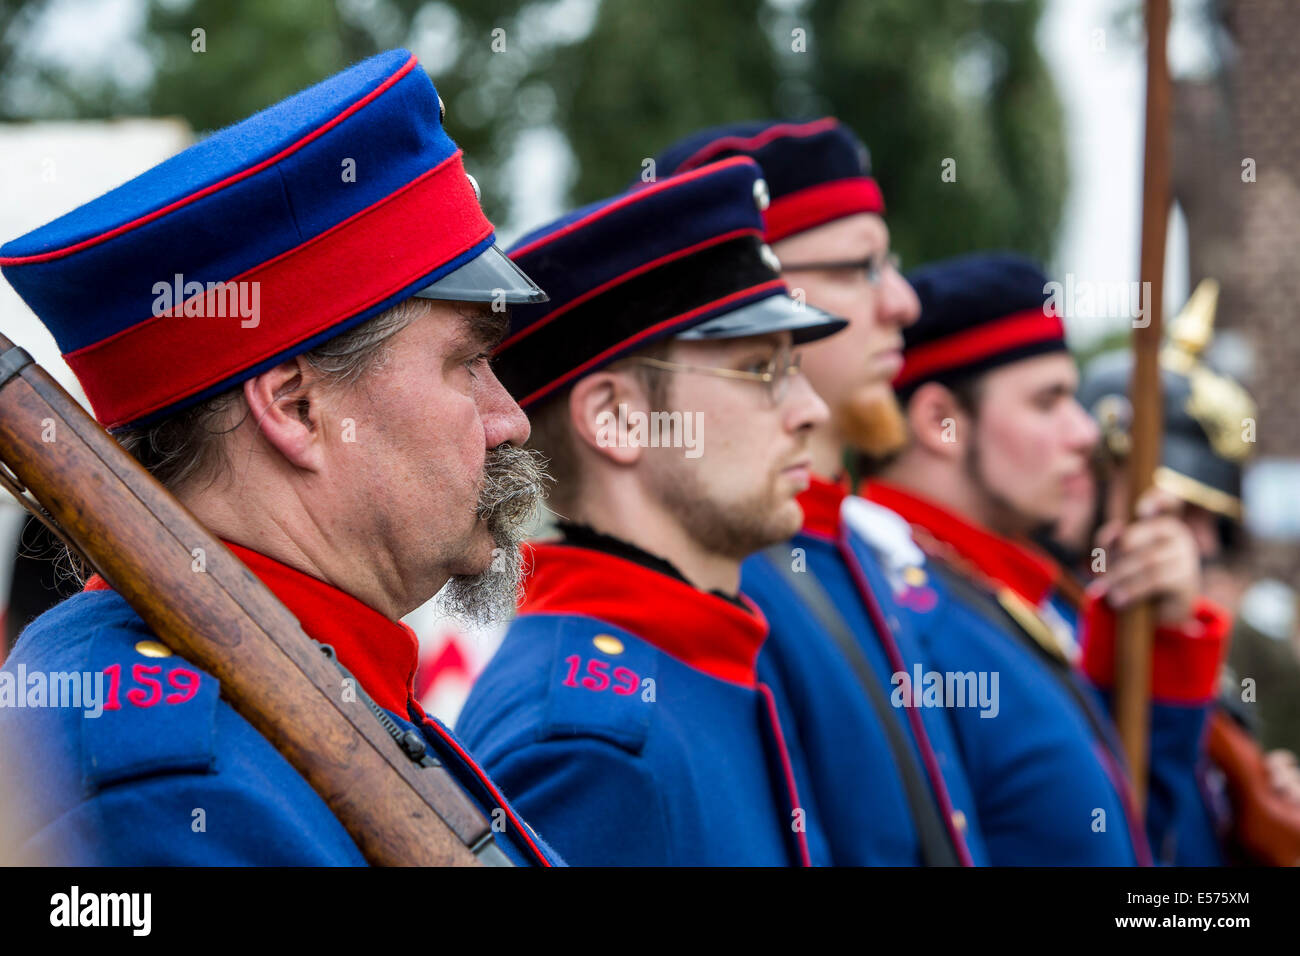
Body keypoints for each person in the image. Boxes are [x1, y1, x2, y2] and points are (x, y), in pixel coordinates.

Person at [0, 49, 560, 866]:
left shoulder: (325, 691)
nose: (509, 420)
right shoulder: (157, 782)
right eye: (467, 364)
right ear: (297, 407)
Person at [454, 156, 847, 865]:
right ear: (616, 418)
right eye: (762, 370)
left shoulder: (696, 662)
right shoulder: (590, 747)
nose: (811, 411)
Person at [649, 119, 987, 865]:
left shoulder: (858, 551)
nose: (902, 301)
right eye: (860, 267)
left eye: (888, 264)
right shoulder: (735, 572)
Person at [865, 251, 1229, 864]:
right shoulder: (889, 608)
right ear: (940, 421)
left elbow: (1135, 836)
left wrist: (1160, 639)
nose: (1085, 433)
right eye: (1046, 401)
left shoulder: (1015, 595)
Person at [1071, 280, 1300, 863]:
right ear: (1101, 479)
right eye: (1180, 507)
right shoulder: (1056, 632)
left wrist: (1249, 805)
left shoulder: (1195, 642)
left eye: (1213, 521)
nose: (1201, 542)